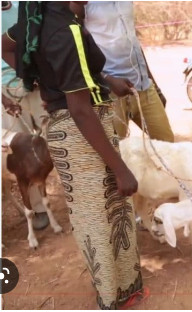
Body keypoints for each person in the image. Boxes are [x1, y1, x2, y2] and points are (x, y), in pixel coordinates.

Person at [2, 2, 146, 309]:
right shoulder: (67, 30)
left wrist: (48, 84)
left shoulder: (36, 20)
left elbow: (7, 46)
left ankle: (110, 289)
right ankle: (115, 295)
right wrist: (121, 169)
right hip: (86, 134)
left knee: (89, 217)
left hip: (63, 133)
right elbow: (81, 109)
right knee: (107, 215)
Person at [70, 1, 174, 142]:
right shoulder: (80, 3)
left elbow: (132, 41)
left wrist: (155, 86)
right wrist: (107, 79)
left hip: (144, 89)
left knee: (167, 148)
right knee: (117, 155)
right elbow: (76, 49)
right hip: (110, 95)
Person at [2, 0, 52, 230]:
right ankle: (38, 210)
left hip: (37, 85)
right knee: (22, 157)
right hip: (6, 93)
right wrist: (2, 99)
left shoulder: (27, 4)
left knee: (53, 141)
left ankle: (77, 198)